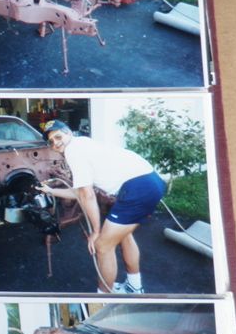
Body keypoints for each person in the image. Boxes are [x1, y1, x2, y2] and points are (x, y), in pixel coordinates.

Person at [36, 120, 166, 294]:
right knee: (124, 235)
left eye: (58, 137)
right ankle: (135, 287)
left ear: (68, 133)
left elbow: (87, 195)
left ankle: (104, 298)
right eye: (51, 142)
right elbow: (80, 192)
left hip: (138, 188)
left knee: (102, 246)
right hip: (150, 181)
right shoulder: (82, 143)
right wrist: (51, 191)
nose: (55, 143)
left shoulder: (73, 150)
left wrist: (95, 232)